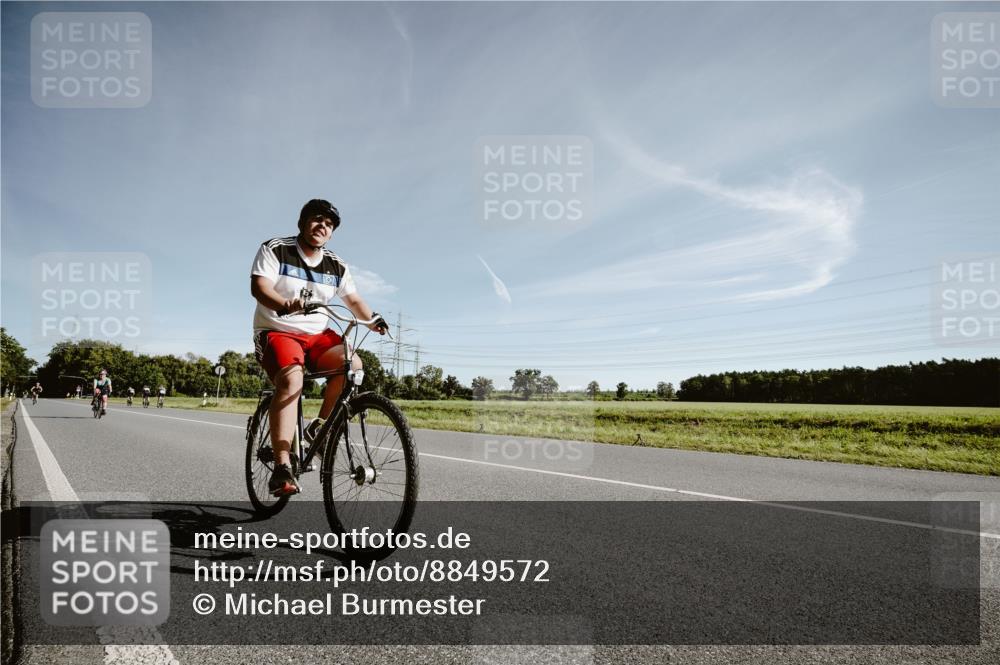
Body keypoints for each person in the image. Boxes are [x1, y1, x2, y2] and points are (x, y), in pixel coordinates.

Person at [250, 198, 387, 496]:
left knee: (353, 365)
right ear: (302, 222)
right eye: (316, 219)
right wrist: (284, 304)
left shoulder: (336, 265)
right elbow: (259, 287)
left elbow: (353, 300)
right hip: (278, 330)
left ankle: (319, 429)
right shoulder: (276, 249)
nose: (322, 226)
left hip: (317, 336)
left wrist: (373, 319)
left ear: (332, 232)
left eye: (329, 224)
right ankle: (282, 466)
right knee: (292, 380)